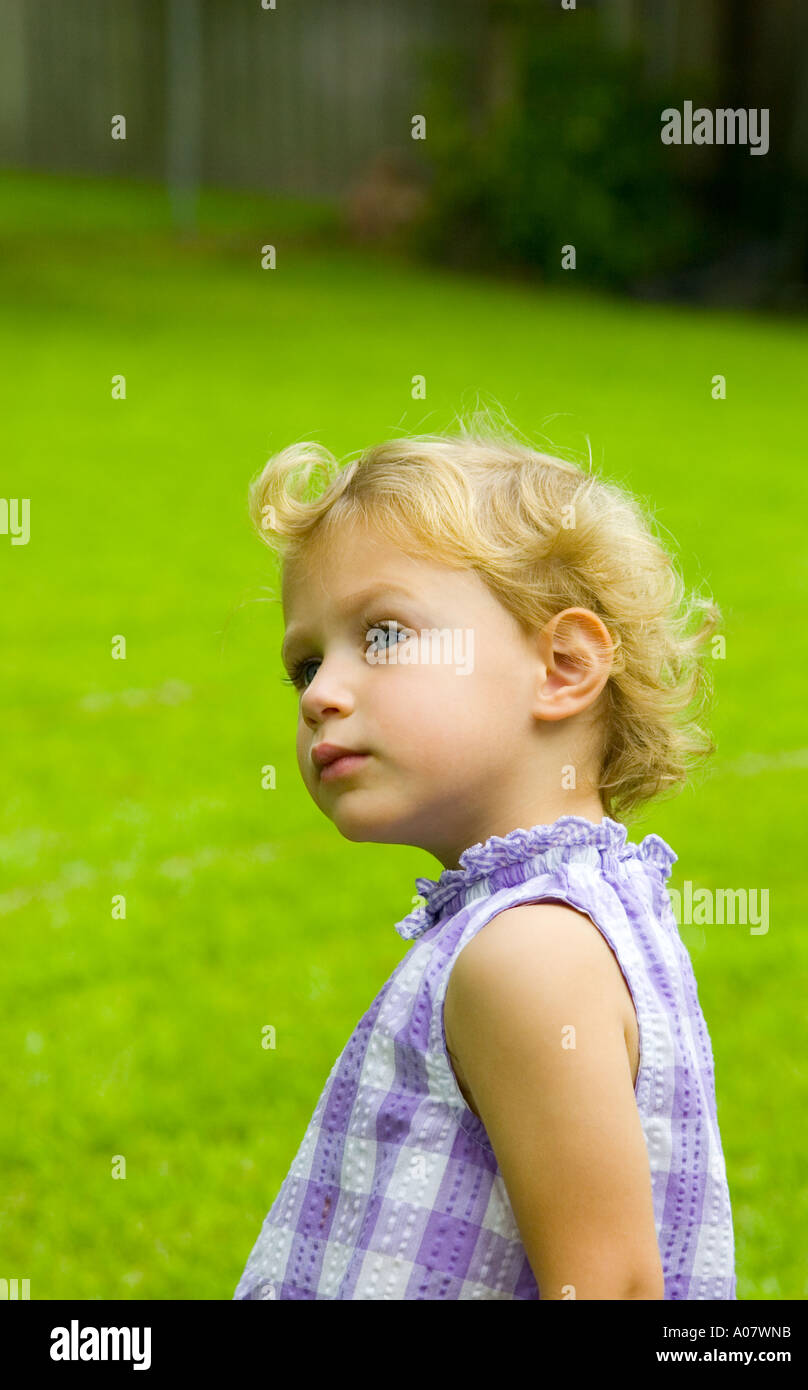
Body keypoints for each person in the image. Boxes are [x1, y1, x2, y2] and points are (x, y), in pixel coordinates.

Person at [232, 416, 737, 1301]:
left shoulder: (526, 954)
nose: (321, 696)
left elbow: (612, 1288)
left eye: (383, 635)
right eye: (303, 665)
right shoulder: (560, 917)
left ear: (562, 665)